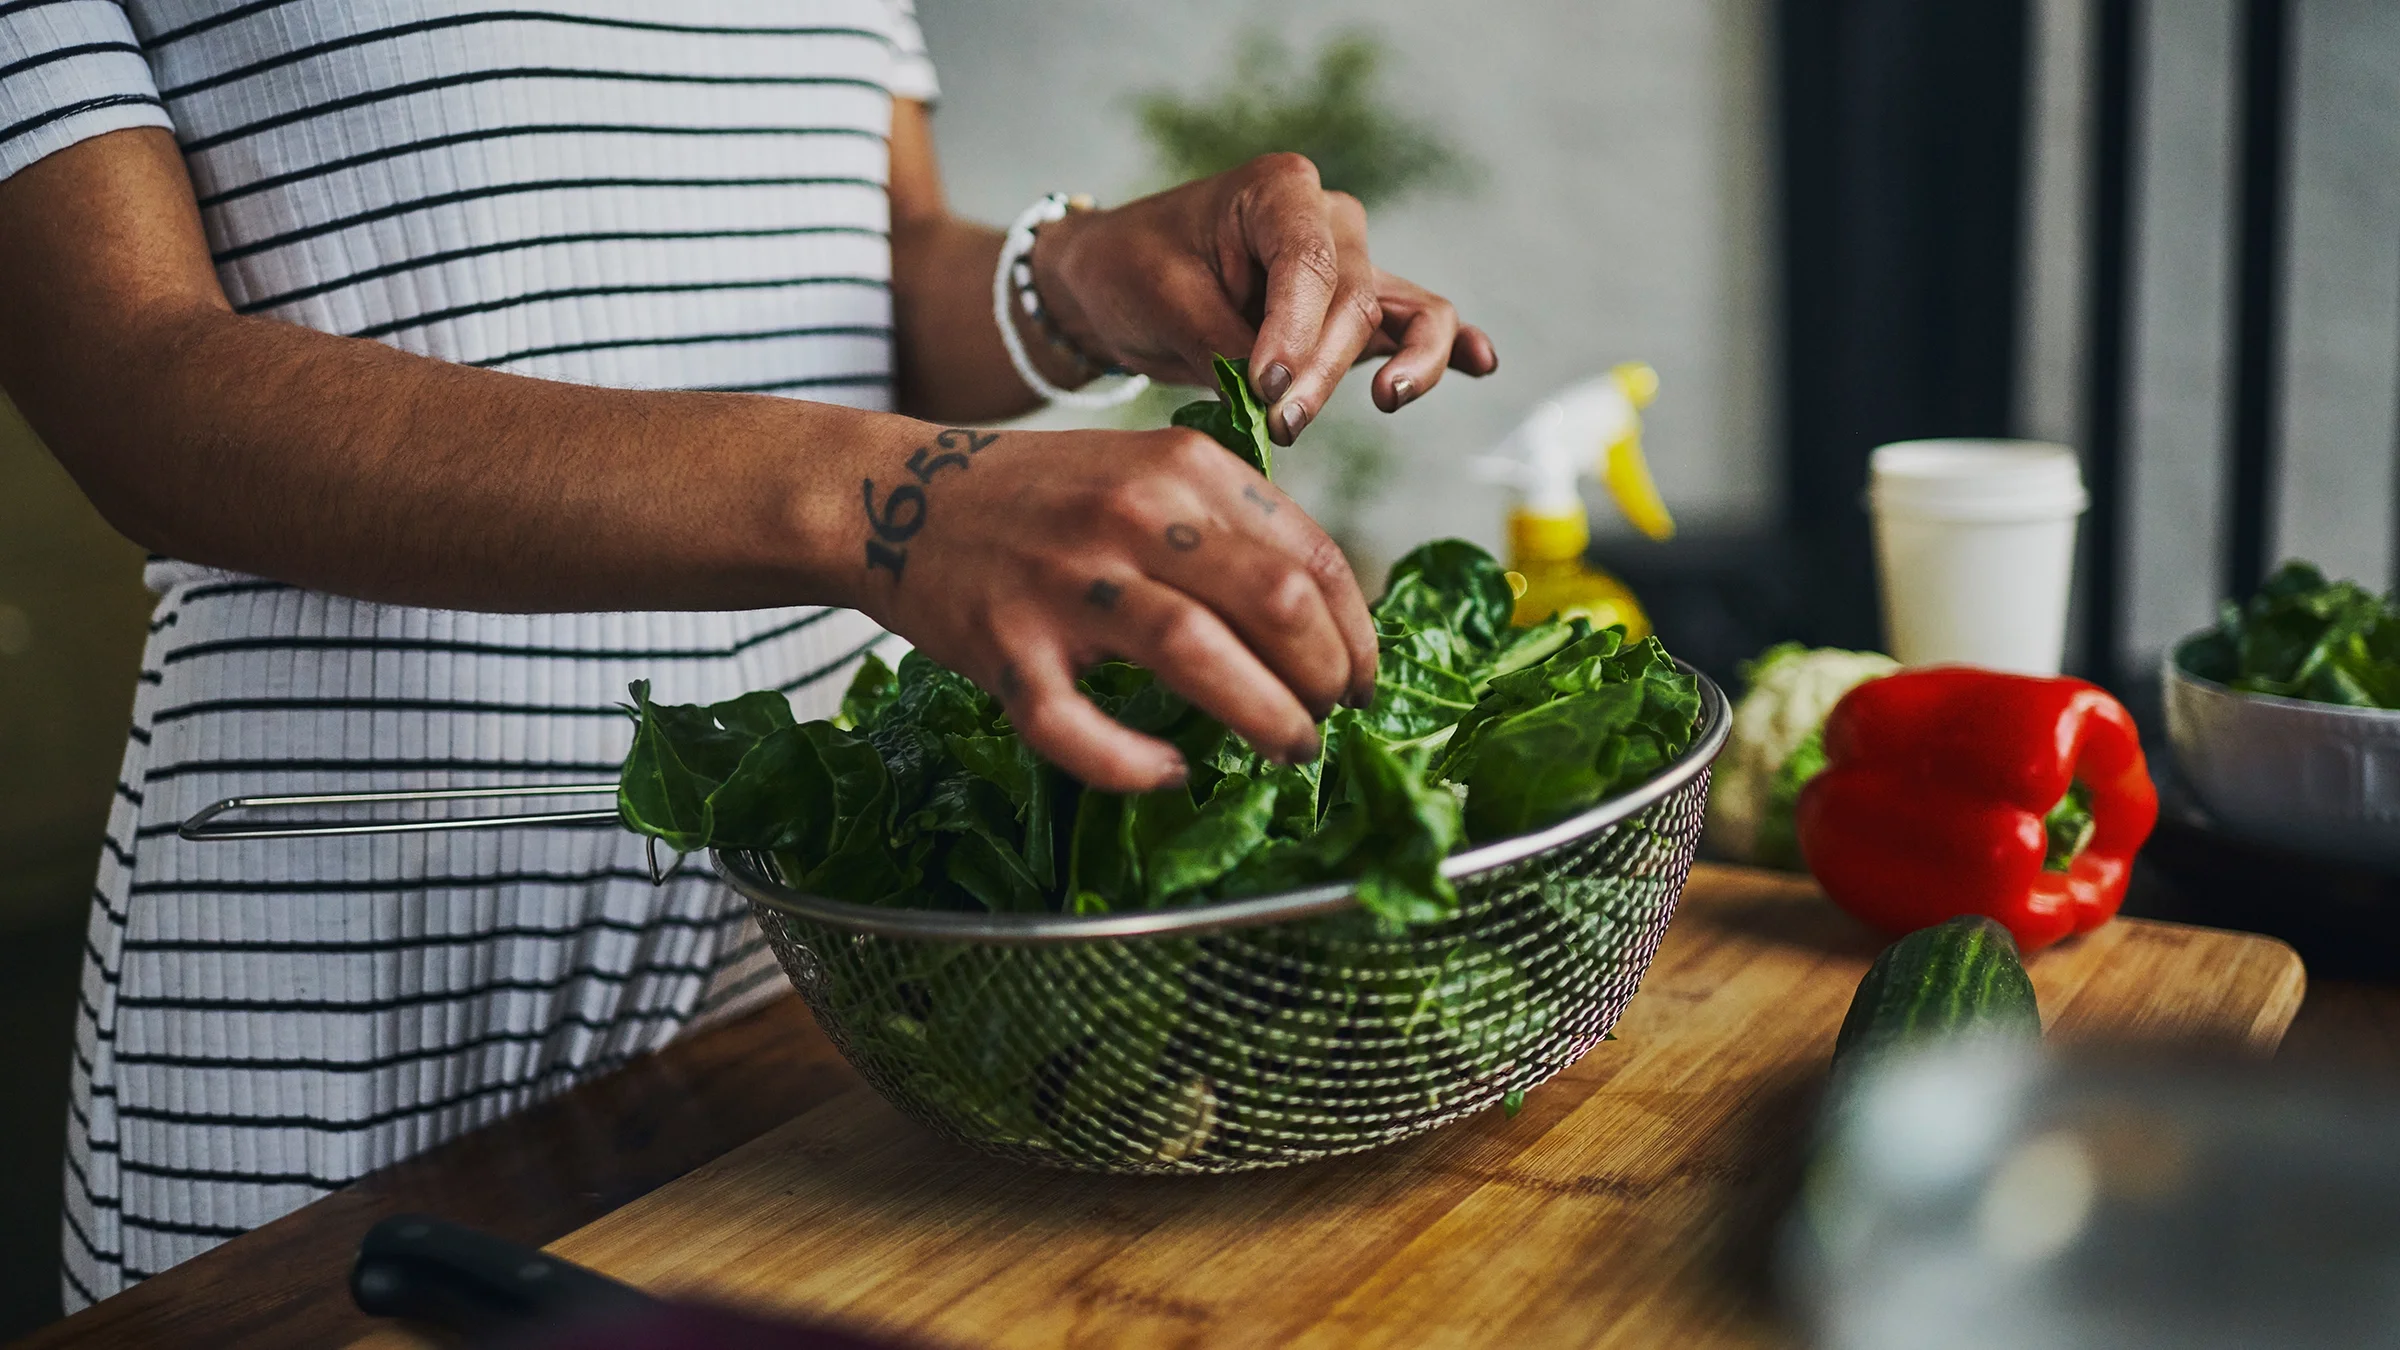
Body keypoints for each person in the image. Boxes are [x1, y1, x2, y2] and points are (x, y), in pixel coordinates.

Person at [0, 0, 1495, 1307]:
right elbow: (133, 382)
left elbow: (866, 256)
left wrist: (1078, 279)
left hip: (795, 974)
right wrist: (885, 500)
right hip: (355, 991)